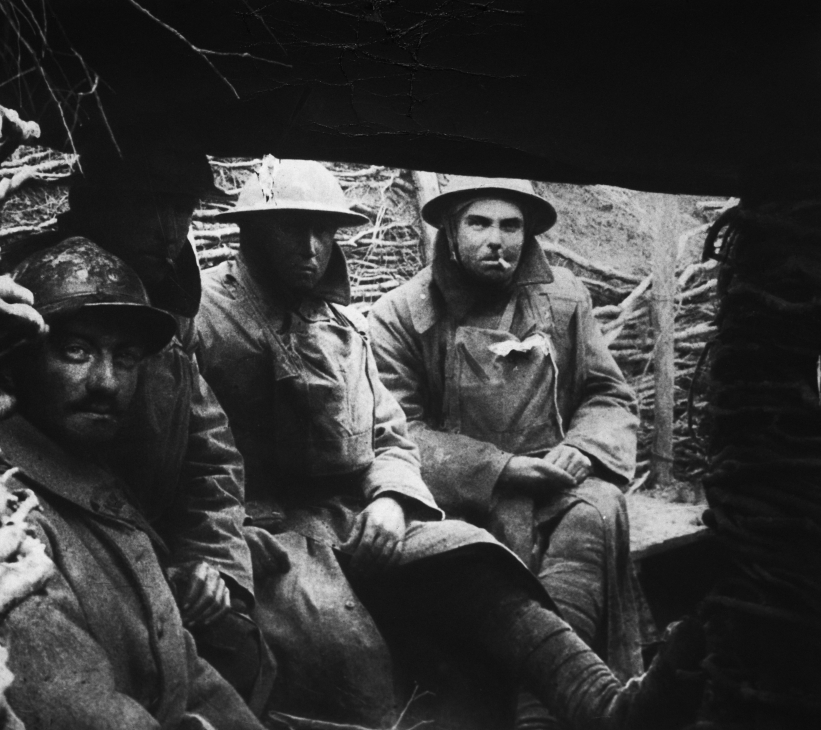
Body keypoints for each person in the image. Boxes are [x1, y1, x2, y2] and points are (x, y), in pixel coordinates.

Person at [193, 157, 703, 730]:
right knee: (346, 650)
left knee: (475, 560)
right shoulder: (205, 317)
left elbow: (386, 433)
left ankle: (600, 704)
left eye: (325, 230)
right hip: (265, 530)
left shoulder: (339, 323)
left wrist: (389, 498)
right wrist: (216, 541)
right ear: (251, 231)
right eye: (292, 228)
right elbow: (188, 454)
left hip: (356, 513)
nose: (312, 247)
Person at [1, 141, 272, 708]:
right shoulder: (12, 303)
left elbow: (211, 464)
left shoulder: (168, 330)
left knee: (237, 653)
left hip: (153, 560)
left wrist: (210, 565)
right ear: (95, 202)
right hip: (58, 551)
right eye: (146, 206)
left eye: (181, 210)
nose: (167, 231)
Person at [369, 176, 642, 727]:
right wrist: (502, 469)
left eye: (511, 225)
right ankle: (549, 699)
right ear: (449, 230)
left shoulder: (564, 298)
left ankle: (542, 705)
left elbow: (607, 393)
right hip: (462, 496)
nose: (498, 240)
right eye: (480, 222)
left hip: (560, 478)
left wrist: (583, 449)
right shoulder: (402, 313)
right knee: (486, 560)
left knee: (597, 512)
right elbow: (399, 430)